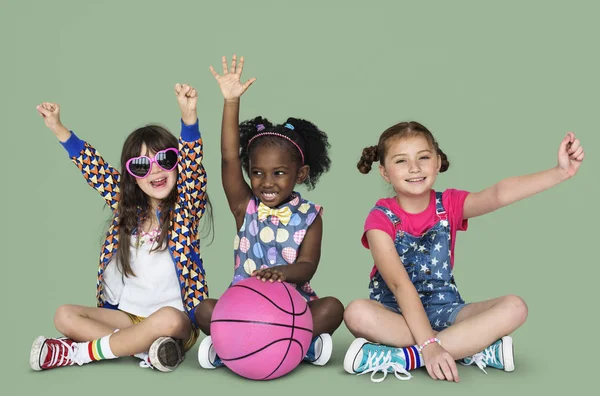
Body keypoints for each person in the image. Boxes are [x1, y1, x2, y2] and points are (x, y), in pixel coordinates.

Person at [342, 121, 584, 382]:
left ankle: (405, 358)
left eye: (423, 157)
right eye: (401, 161)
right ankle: (465, 348)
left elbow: (499, 193)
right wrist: (429, 345)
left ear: (437, 162)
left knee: (515, 307)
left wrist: (560, 172)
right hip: (396, 314)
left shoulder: (449, 204)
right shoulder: (380, 219)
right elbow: (399, 285)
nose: (414, 168)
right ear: (384, 172)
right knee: (356, 313)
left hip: (447, 311)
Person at [30, 83, 212, 373]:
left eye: (165, 159)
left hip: (175, 320)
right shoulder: (126, 205)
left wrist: (189, 118)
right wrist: (58, 128)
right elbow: (95, 168)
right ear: (132, 177)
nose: (155, 170)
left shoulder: (185, 208)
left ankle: (78, 353)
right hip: (128, 317)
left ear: (176, 164)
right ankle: (146, 350)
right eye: (141, 165)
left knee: (168, 319)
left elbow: (193, 166)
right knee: (64, 315)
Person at [195, 55, 344, 369]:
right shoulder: (244, 207)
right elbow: (227, 159)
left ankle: (284, 341)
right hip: (244, 304)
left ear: (300, 174)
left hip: (292, 307)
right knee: (205, 310)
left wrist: (282, 274)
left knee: (332, 308)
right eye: (258, 173)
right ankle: (254, 344)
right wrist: (231, 101)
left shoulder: (310, 216)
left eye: (279, 173)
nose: (266, 182)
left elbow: (307, 266)